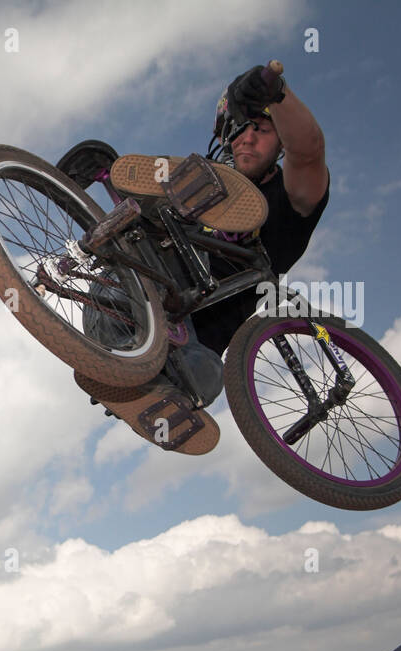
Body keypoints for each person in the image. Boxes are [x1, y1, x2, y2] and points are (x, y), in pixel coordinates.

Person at [66, 64, 330, 454]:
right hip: (133, 303)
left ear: (279, 145)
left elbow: (309, 153)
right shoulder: (202, 193)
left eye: (262, 130)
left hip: (195, 351)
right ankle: (114, 190)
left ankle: (151, 379)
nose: (247, 140)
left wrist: (277, 93)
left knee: (202, 374)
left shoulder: (290, 202)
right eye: (239, 132)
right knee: (147, 236)